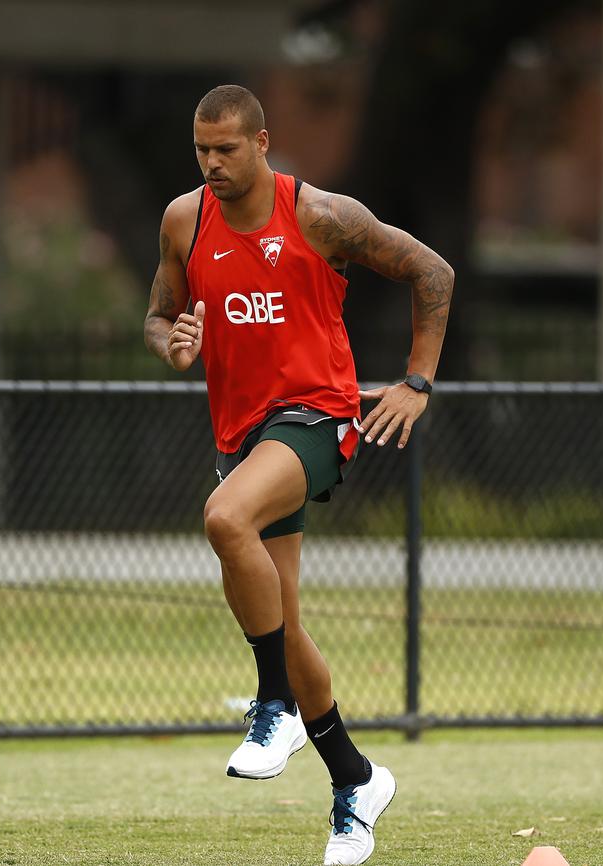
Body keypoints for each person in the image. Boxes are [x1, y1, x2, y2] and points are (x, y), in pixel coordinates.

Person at [144, 84, 454, 866]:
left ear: (262, 142)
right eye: (200, 150)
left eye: (226, 149)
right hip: (242, 431)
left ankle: (272, 702)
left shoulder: (321, 216)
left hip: (317, 415)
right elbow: (158, 315)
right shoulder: (185, 220)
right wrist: (173, 343)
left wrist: (417, 381)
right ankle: (356, 780)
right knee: (284, 618)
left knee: (224, 519)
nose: (211, 164)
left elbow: (433, 273)